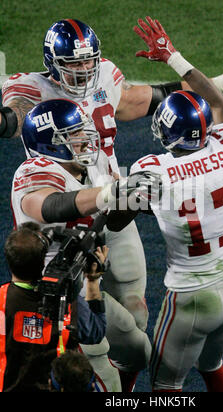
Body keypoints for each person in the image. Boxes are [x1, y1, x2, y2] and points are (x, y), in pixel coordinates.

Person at [0, 19, 223, 329]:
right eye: (74, 62)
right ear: (53, 63)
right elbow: (13, 118)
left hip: (115, 203)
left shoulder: (105, 78)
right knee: (75, 321)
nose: (85, 69)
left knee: (136, 312)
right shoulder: (32, 89)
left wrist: (221, 83)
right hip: (66, 216)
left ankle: (122, 375)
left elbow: (146, 99)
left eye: (89, 59)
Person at [108, 16, 223, 392]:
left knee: (165, 388)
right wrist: (172, 56)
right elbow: (218, 99)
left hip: (192, 295)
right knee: (212, 366)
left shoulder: (152, 169)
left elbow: (115, 222)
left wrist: (128, 197)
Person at [10, 98, 158, 392]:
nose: (84, 138)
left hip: (86, 276)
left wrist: (138, 200)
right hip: (51, 293)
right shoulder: (33, 170)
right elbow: (52, 206)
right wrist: (112, 192)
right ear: (49, 144)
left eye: (82, 129)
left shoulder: (94, 163)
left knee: (137, 350)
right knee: (100, 368)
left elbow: (113, 220)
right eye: (73, 133)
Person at [0, 222, 107, 392]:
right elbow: (96, 332)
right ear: (43, 262)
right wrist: (93, 281)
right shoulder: (68, 303)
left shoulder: (1, 299)